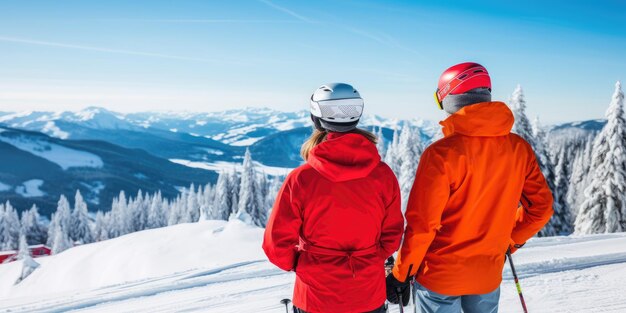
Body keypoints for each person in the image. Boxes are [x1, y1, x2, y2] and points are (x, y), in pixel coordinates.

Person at [386, 62, 554, 313]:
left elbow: (423, 225)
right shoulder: (518, 148)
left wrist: (401, 274)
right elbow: (540, 208)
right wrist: (509, 241)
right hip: (487, 273)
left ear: (448, 99)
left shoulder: (441, 154)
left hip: (439, 278)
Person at [263, 83, 404, 313]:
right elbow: (393, 235)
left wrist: (304, 264)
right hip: (367, 292)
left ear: (316, 119)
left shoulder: (301, 179)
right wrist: (369, 259)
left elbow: (275, 244)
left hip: (315, 296)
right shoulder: (383, 175)